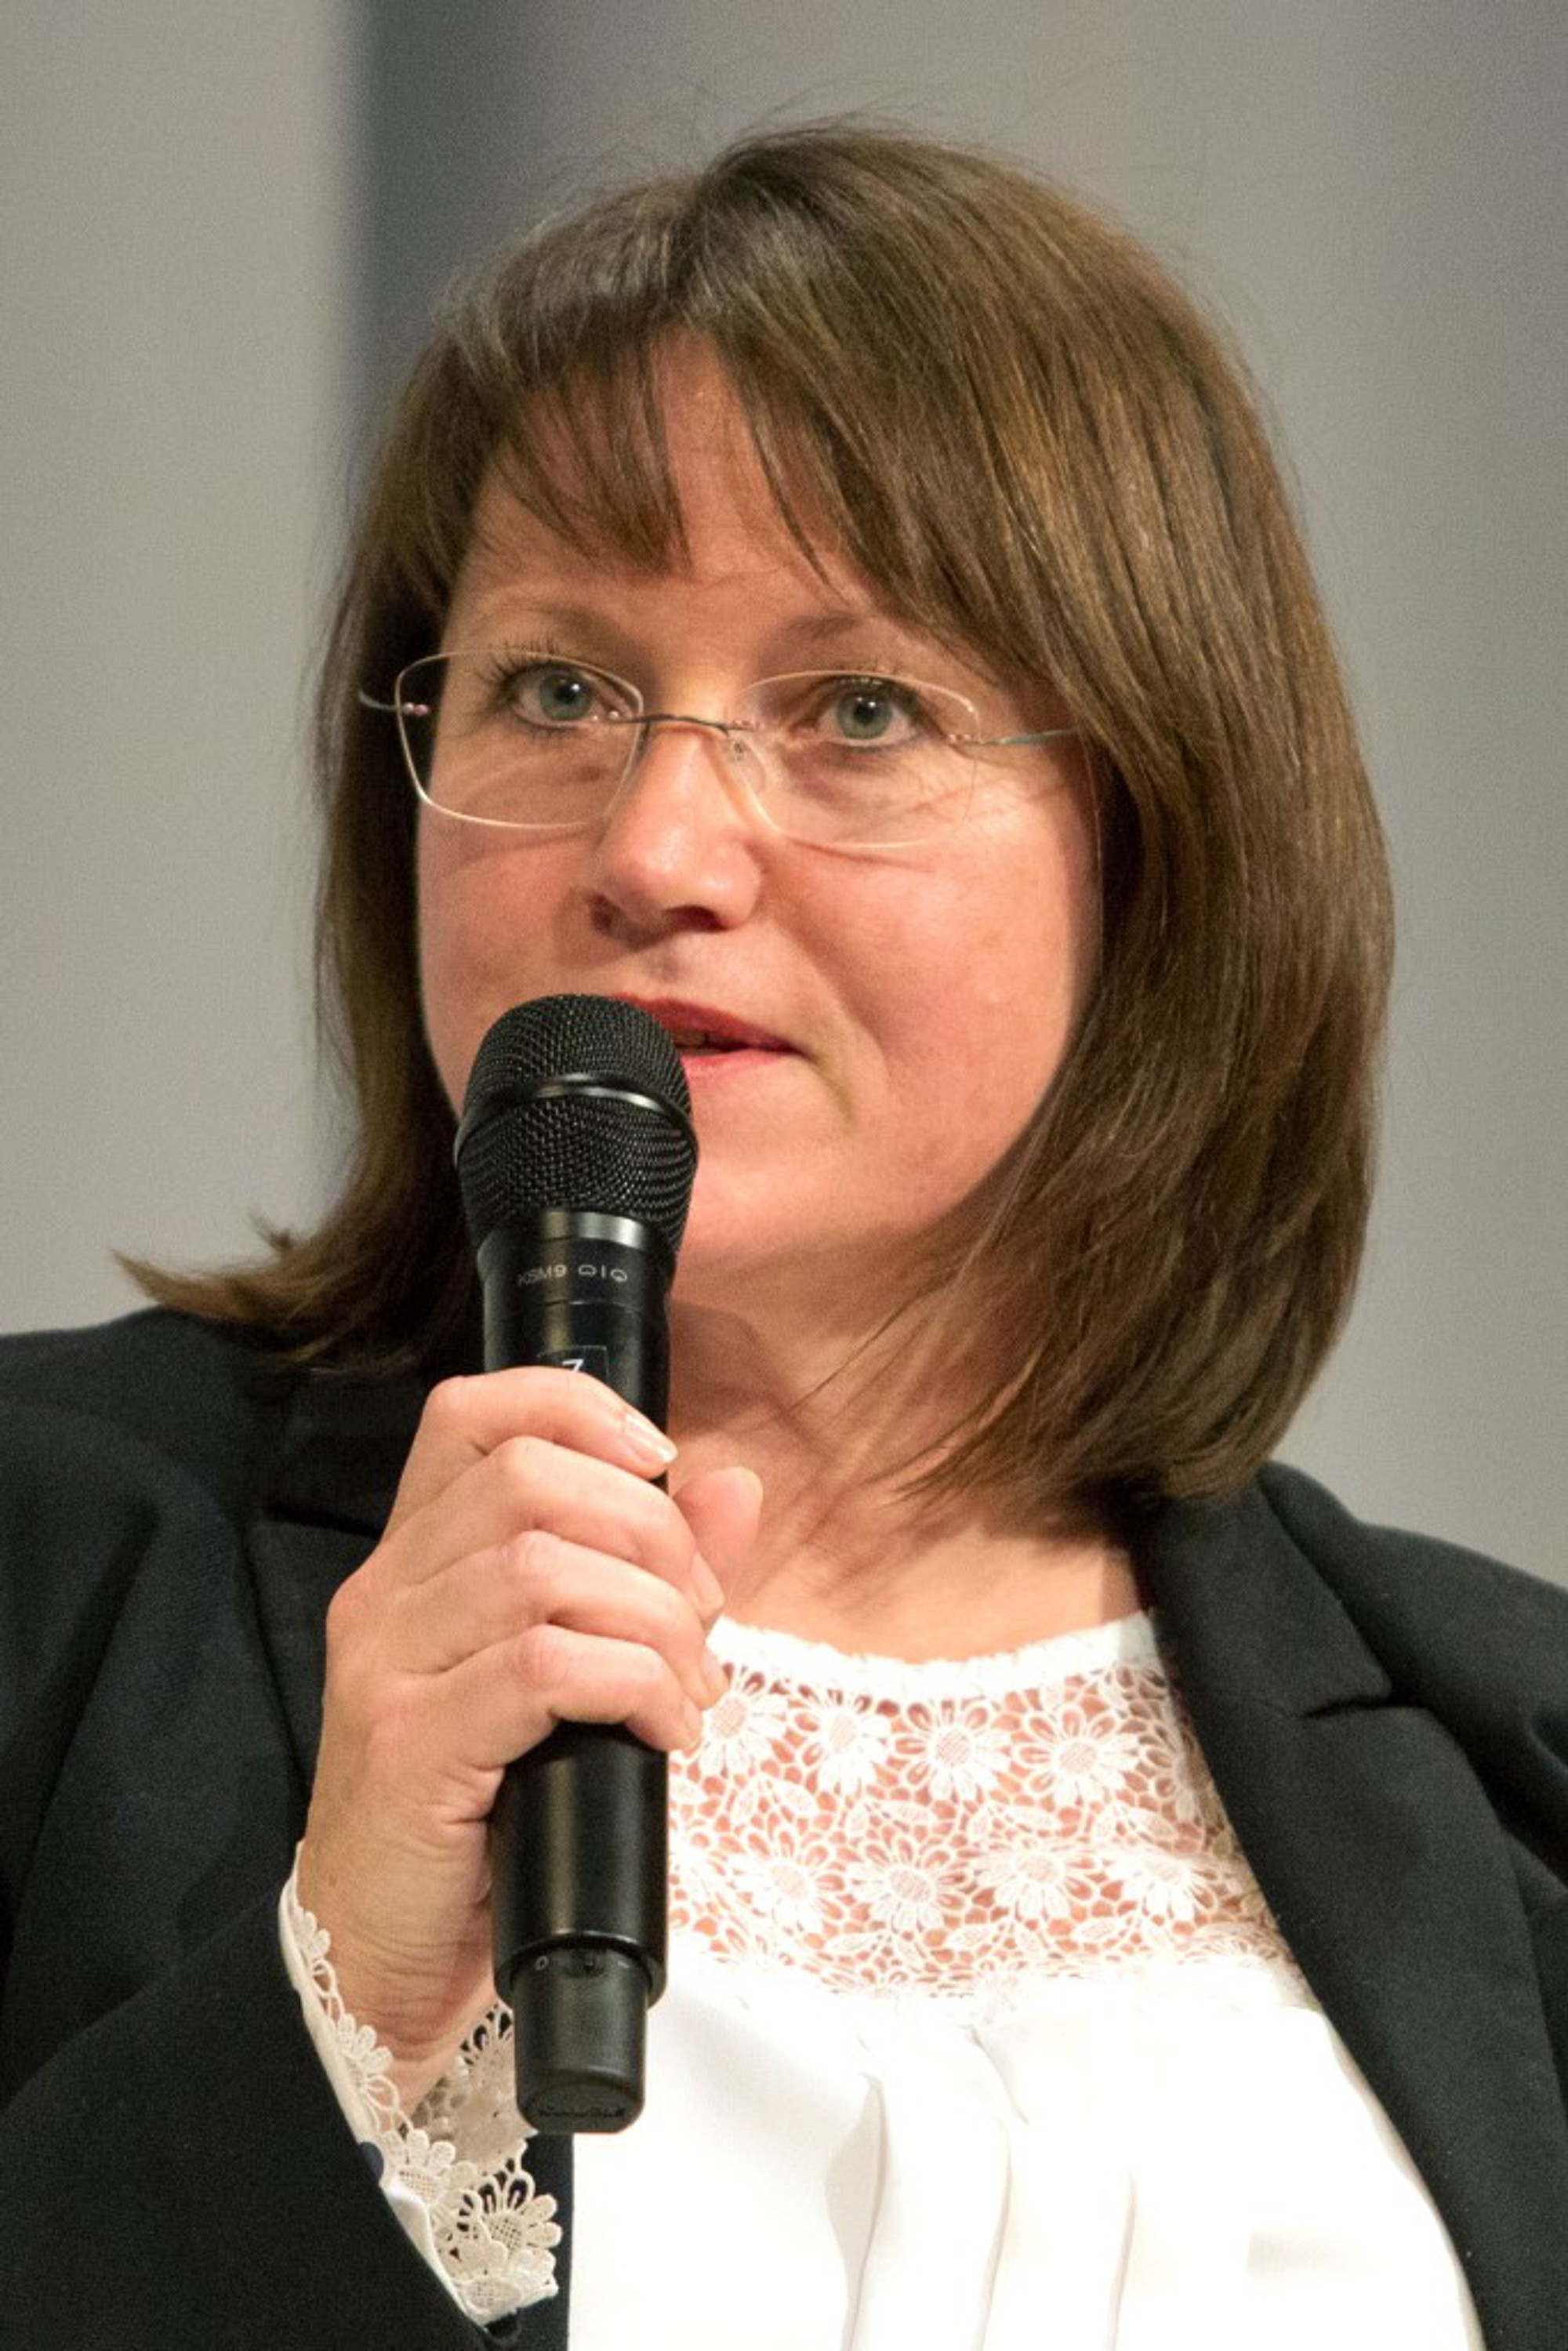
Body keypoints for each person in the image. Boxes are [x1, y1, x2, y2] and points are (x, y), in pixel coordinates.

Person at [1, 122, 1564, 2351]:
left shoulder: (1511, 1768)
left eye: (858, 710)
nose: (656, 847)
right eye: (557, 688)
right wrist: (337, 2004)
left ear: (1156, 839)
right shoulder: (56, 1562)